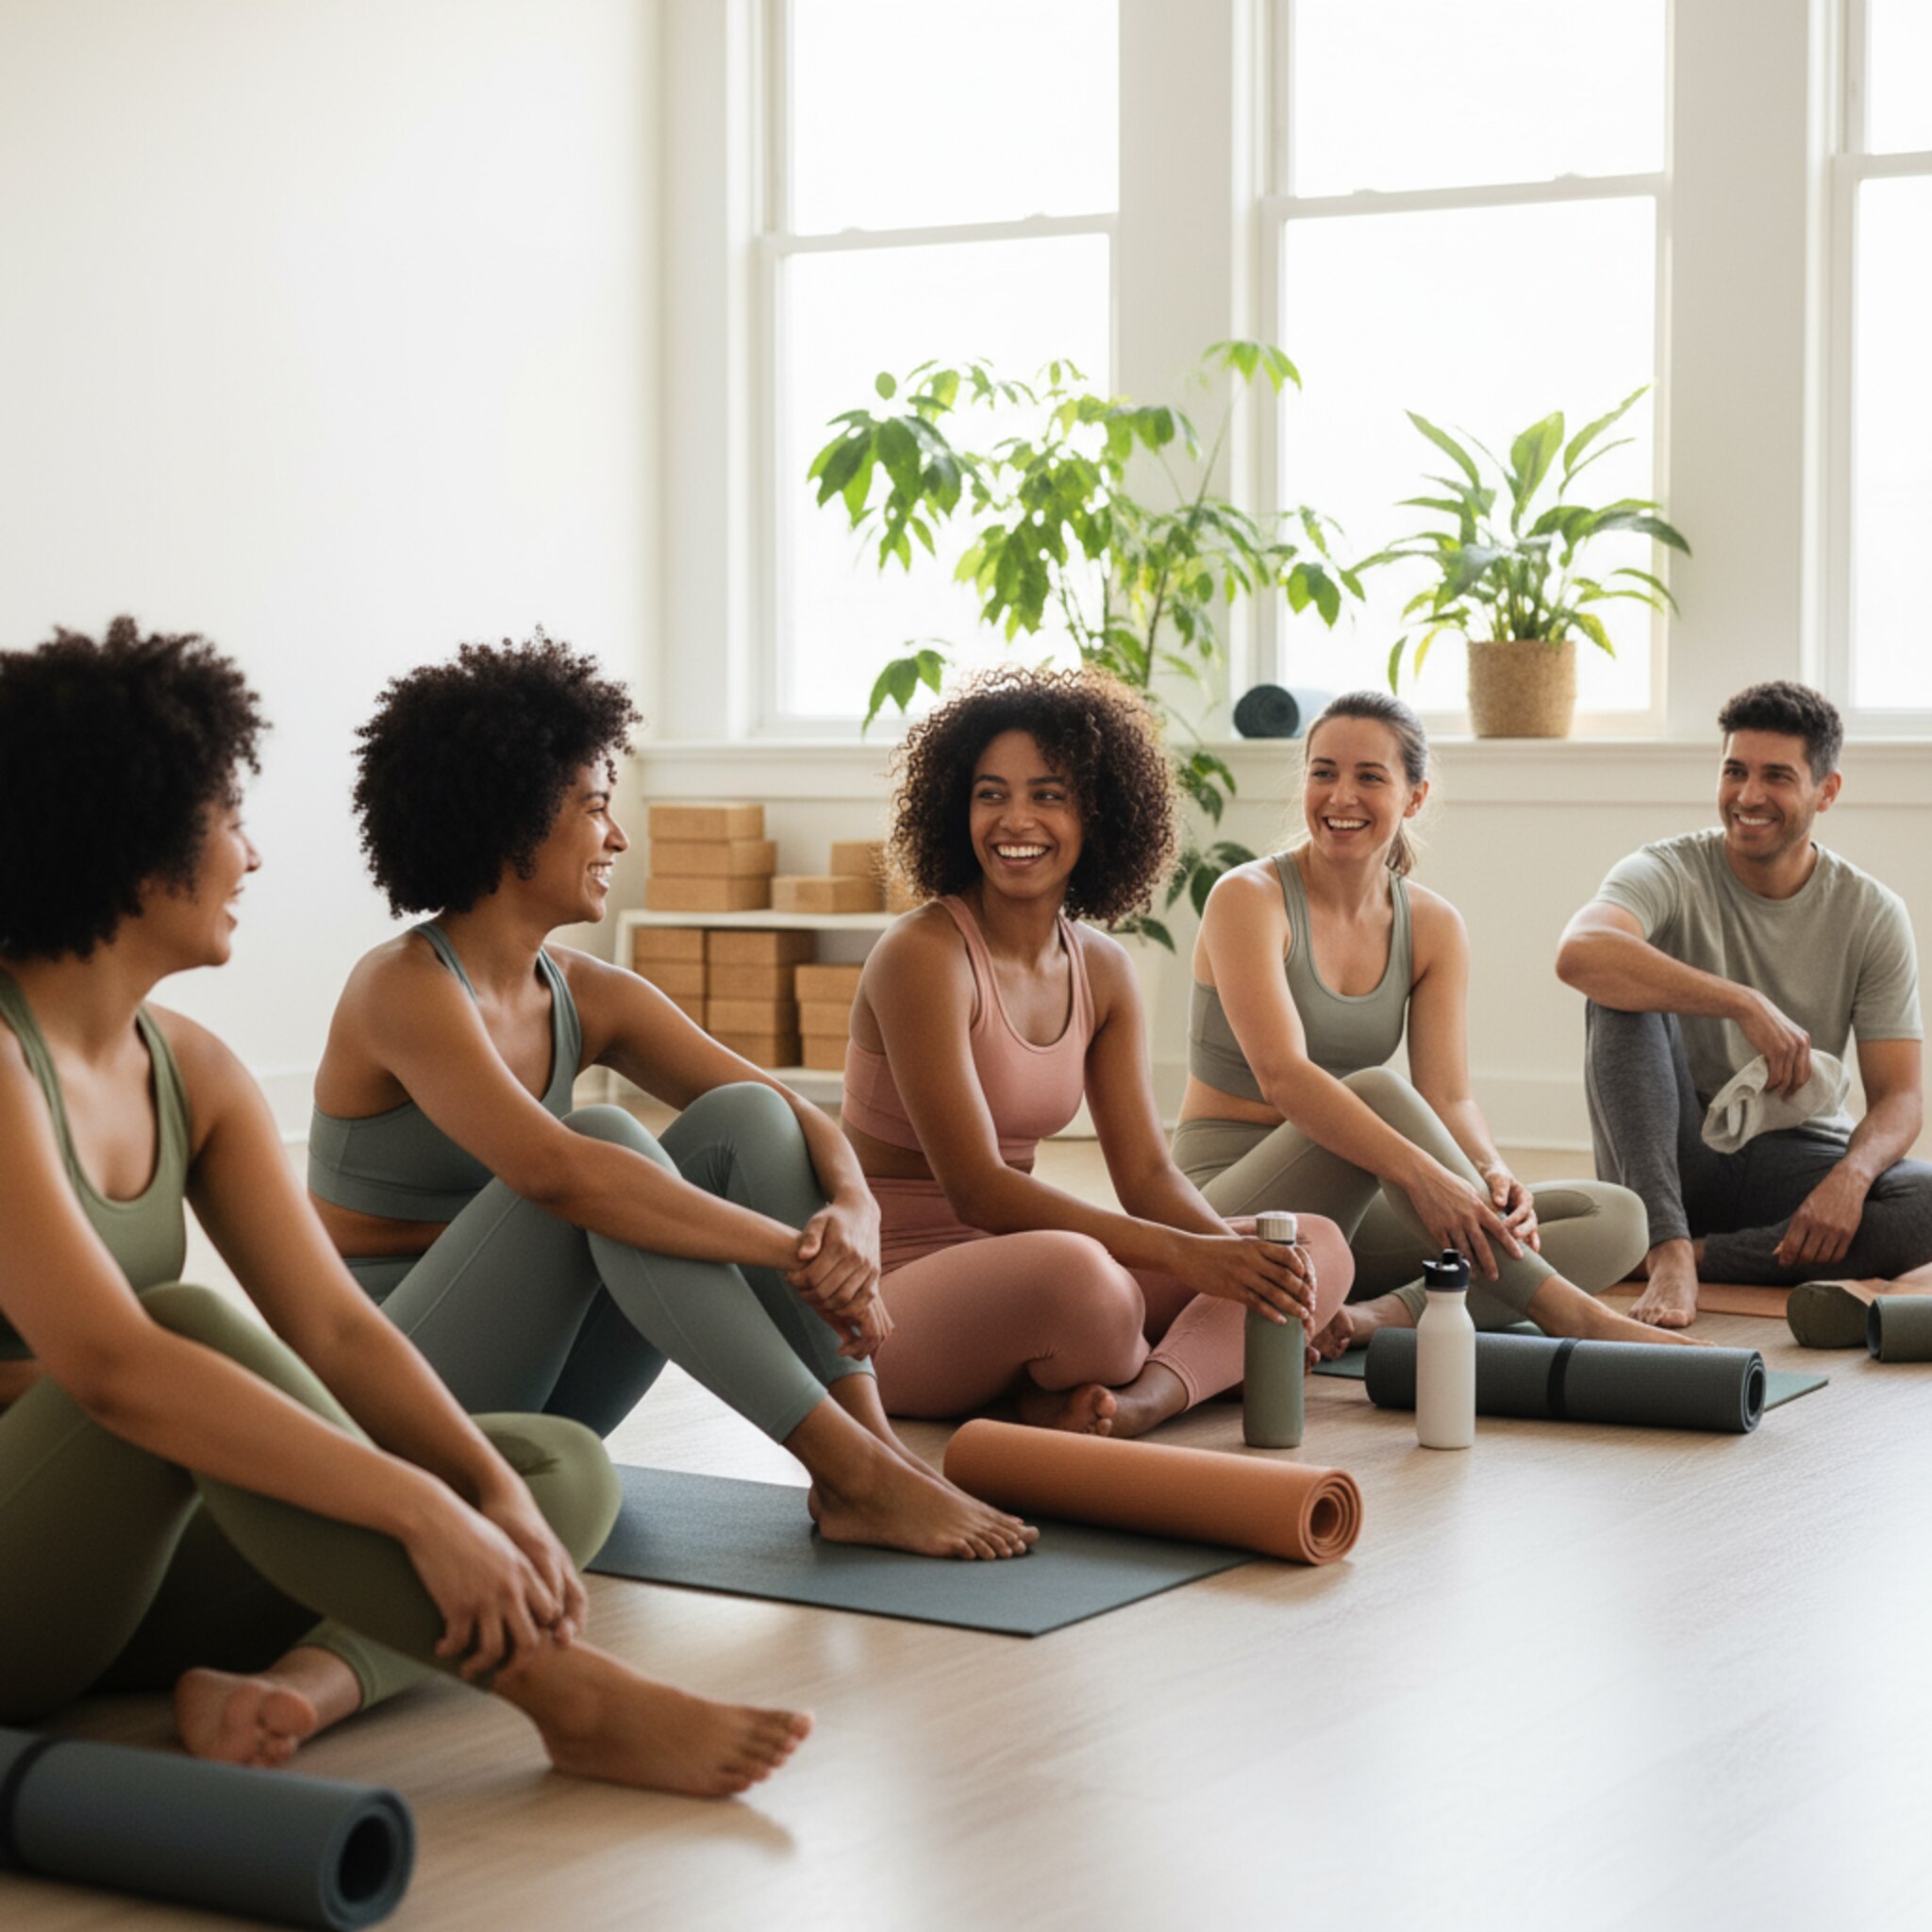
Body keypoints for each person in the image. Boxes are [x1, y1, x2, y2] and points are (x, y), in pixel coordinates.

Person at [0, 618, 809, 1798]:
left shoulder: (199, 1071)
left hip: (136, 1585)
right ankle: (562, 1691)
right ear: (131, 841)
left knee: (552, 1470)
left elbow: (335, 1332)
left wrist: (469, 1492)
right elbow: (119, 1366)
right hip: (20, 1593)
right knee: (183, 1325)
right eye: (230, 820)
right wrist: (415, 1511)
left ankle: (292, 1682)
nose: (254, 859)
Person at [299, 632, 1032, 1587]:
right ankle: (849, 1468)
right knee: (601, 1136)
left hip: (541, 1387)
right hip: (395, 1390)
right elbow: (559, 1173)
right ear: (509, 817)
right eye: (596, 808)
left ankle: (871, 1458)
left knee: (744, 1121)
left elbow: (788, 1112)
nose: (618, 839)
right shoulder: (401, 988)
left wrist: (853, 1210)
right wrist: (791, 1251)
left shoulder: (587, 992)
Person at [848, 666, 1355, 1441]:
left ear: (1099, 814)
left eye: (1048, 795)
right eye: (991, 794)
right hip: (894, 1292)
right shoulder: (922, 955)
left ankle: (1141, 1398)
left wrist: (1241, 1270)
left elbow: (1148, 1176)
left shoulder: (1102, 969)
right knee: (1092, 1290)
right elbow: (979, 1190)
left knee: (1311, 1248)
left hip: (1025, 1265)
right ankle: (1104, 1375)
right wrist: (1193, 1265)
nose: (1015, 819)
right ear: (958, 809)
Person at [1174, 690, 1675, 1350]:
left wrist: (1491, 1174)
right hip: (1231, 1206)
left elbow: (1448, 1096)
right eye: (1323, 772)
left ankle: (1372, 1317)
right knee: (1375, 1091)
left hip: (1355, 1212)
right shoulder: (1248, 898)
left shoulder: (1433, 926)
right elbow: (1285, 1079)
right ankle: (1569, 1314)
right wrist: (1425, 1177)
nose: (1340, 796)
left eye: (1369, 777)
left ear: (1414, 796)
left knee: (1617, 1217)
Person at [1557, 679, 1931, 1336]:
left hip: (1796, 1163)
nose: (1749, 796)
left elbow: (1900, 1096)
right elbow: (1580, 950)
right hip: (1670, 1156)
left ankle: (1696, 1258)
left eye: (1777, 777)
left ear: (1827, 791)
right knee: (1619, 991)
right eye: (1735, 771)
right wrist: (1741, 1002)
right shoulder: (1668, 869)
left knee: (1924, 1201)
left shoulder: (1872, 913)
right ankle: (1668, 1245)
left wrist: (1850, 1179)